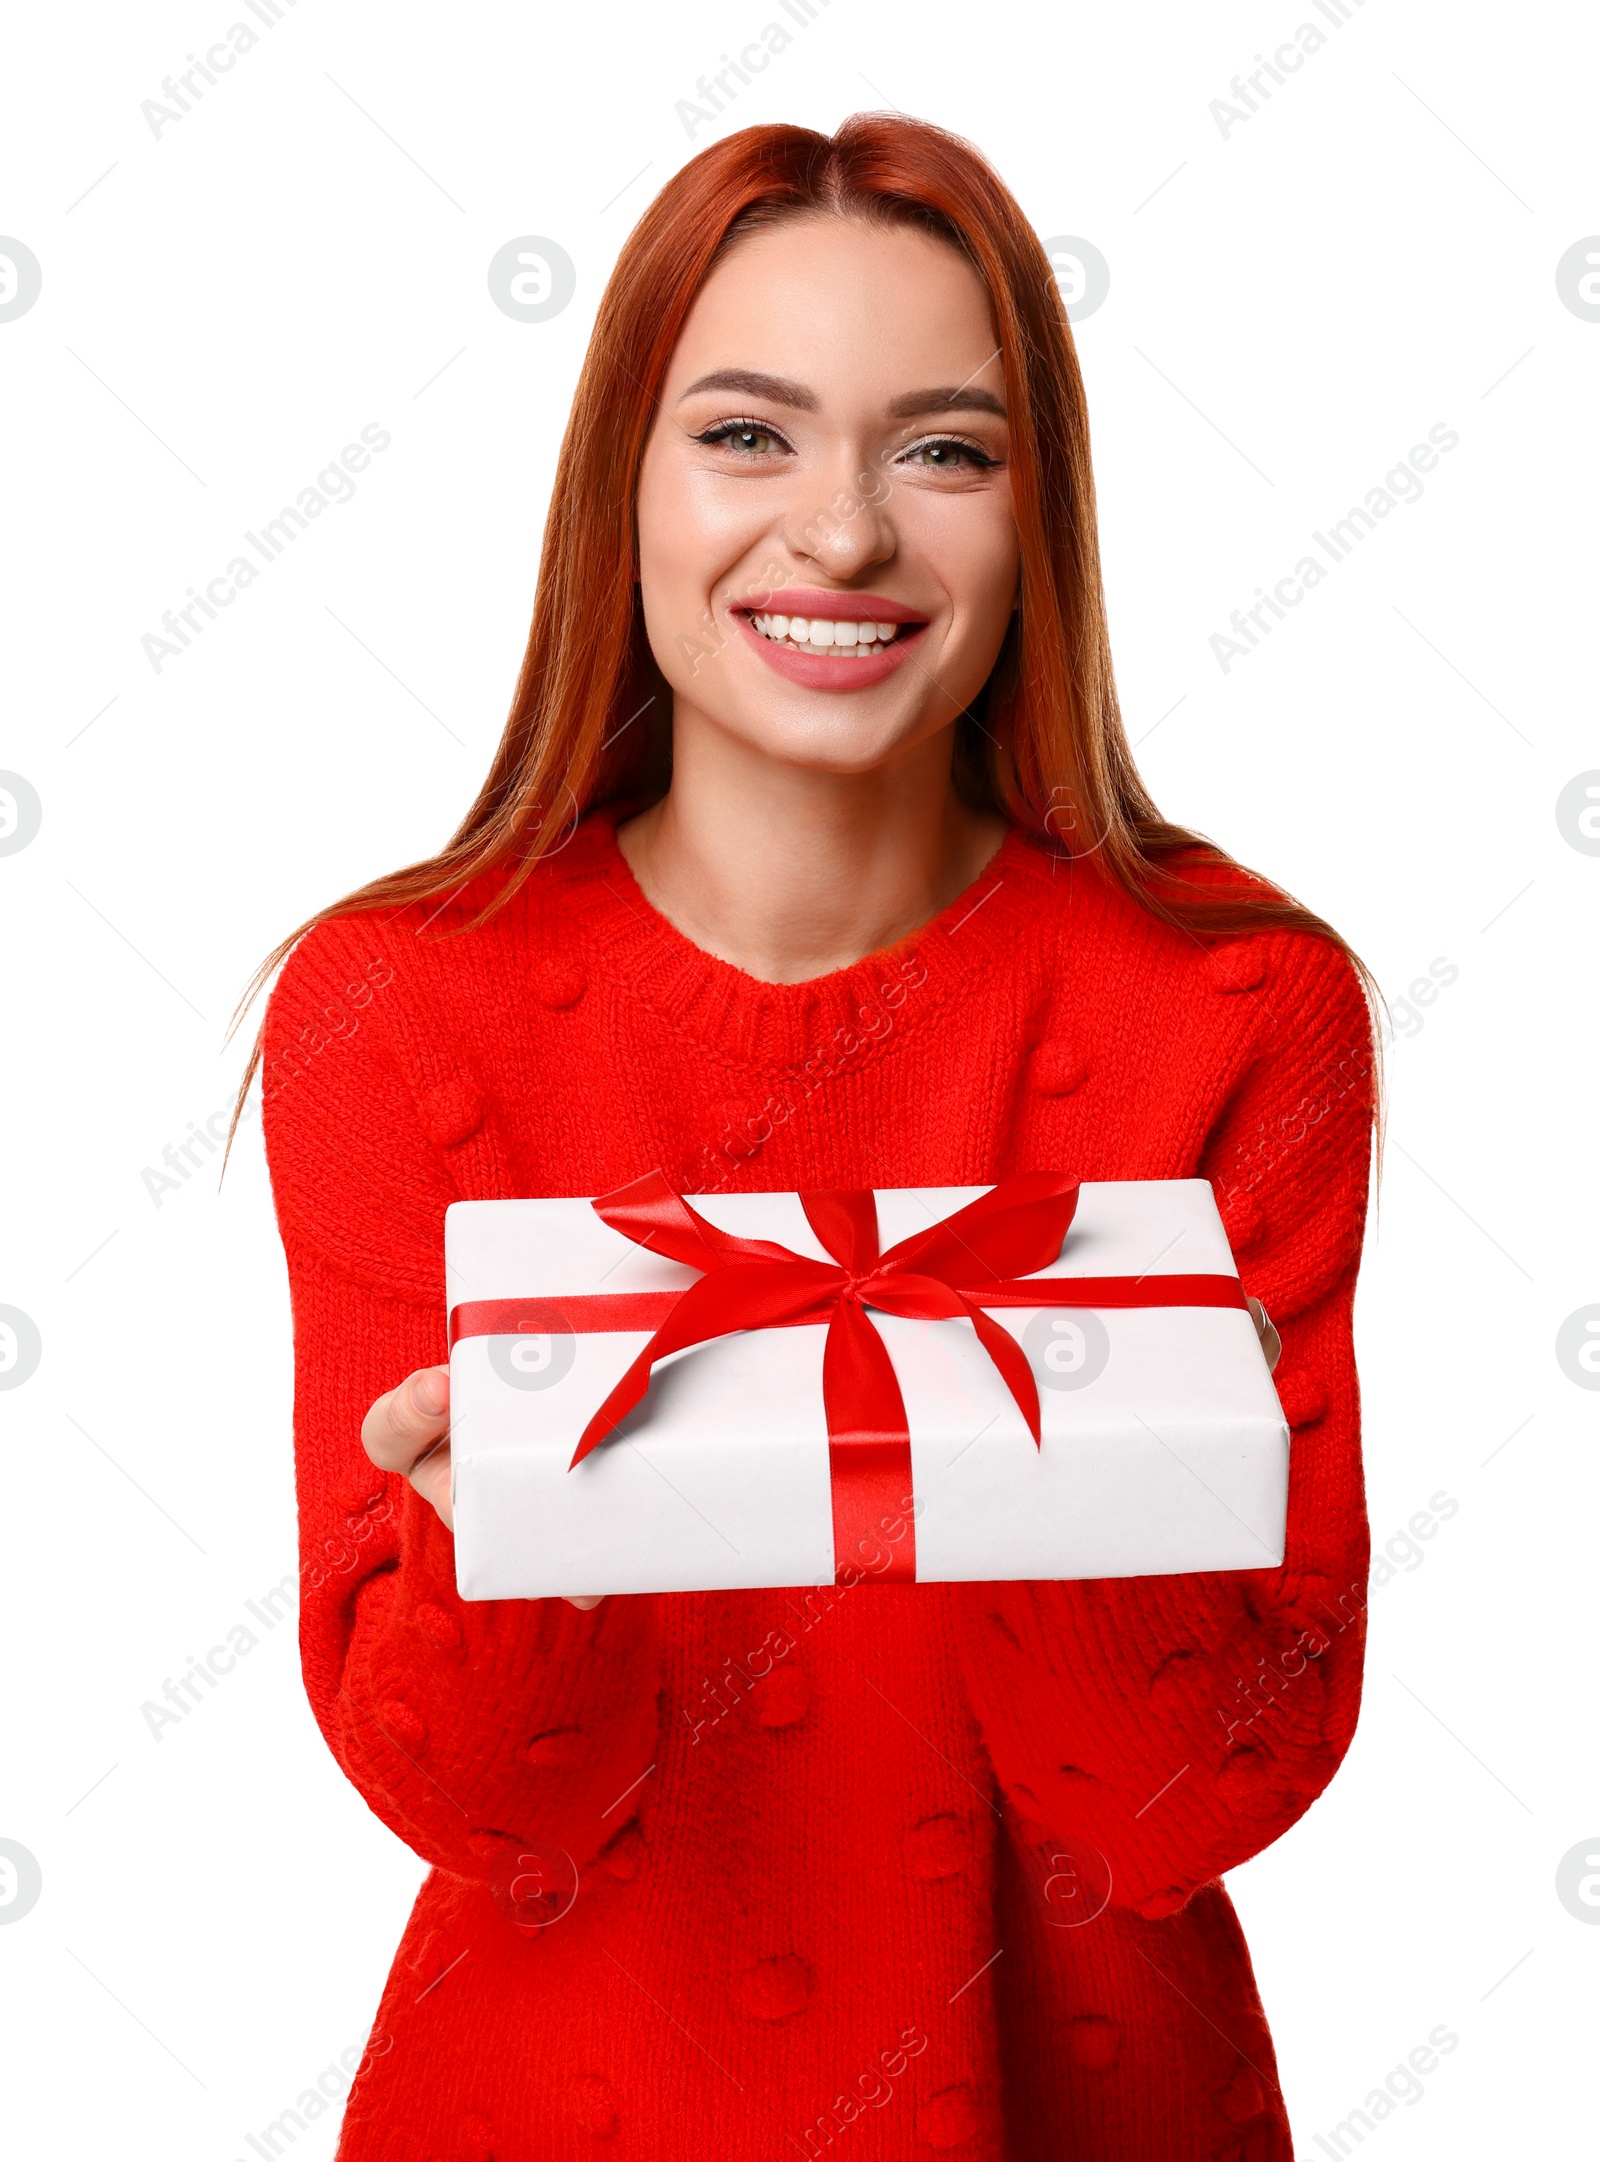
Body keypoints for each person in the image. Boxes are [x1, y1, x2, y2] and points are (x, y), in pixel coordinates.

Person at [249, 113, 1377, 2162]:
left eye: (941, 448)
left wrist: (1058, 1454)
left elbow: (1197, 1791)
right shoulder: (398, 1009)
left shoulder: (1231, 1005)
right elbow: (483, 1805)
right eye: (746, 436)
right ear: (624, 485)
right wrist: (498, 1549)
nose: (842, 534)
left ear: (1041, 517)